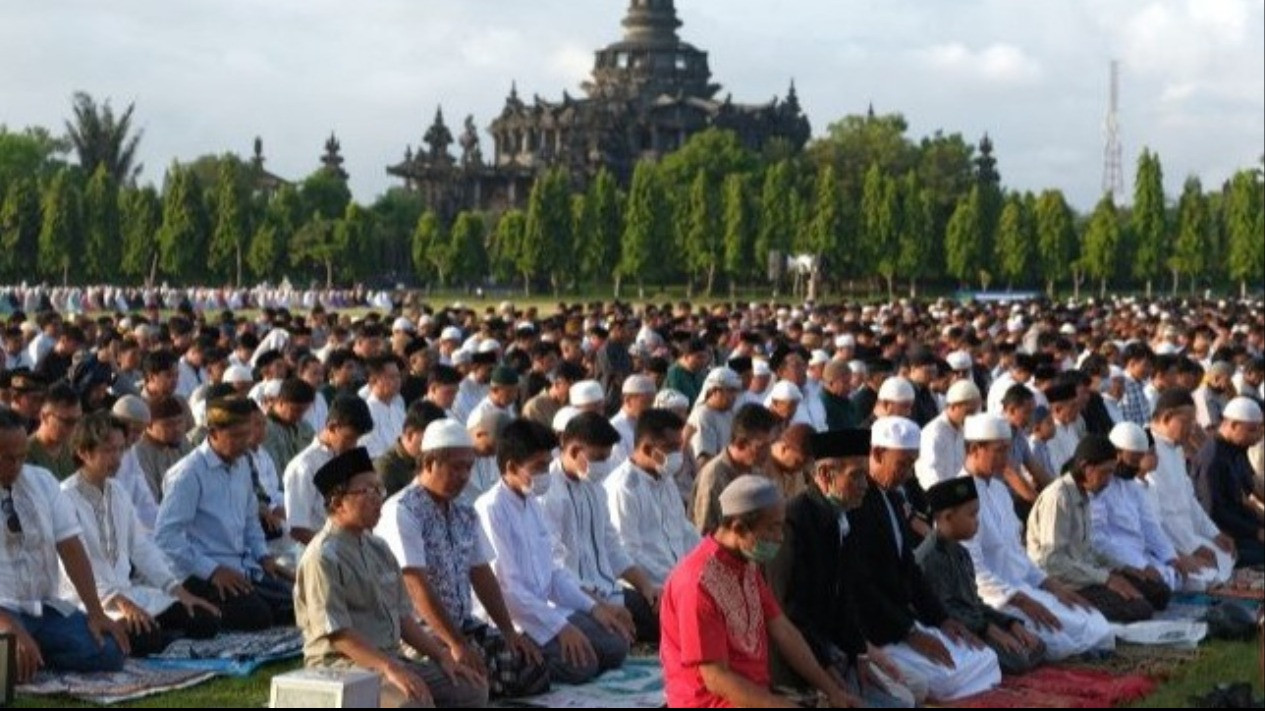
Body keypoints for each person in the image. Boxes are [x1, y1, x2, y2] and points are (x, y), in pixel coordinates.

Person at [294, 447, 489, 708]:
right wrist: (389, 669)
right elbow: (339, 635)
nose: (377, 499)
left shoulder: (379, 548)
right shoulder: (322, 556)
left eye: (379, 490)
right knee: (412, 703)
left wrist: (442, 656)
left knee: (471, 688)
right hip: (344, 665)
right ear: (338, 502)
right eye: (367, 492)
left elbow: (403, 618)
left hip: (389, 658)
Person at [376, 419, 549, 700]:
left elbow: (482, 574)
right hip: (419, 633)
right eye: (456, 467)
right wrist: (454, 643)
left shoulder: (464, 511)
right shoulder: (402, 511)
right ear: (430, 463)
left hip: (463, 624)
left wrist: (508, 631)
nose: (464, 475)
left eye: (468, 467)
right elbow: (414, 585)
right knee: (472, 685)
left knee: (533, 666)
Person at [660, 475, 860, 708]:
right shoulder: (697, 584)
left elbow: (784, 631)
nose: (780, 537)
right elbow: (716, 679)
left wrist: (831, 690)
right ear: (739, 528)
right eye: (772, 529)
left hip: (757, 695)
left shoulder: (746, 565)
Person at [847, 416, 1000, 702]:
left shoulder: (892, 499)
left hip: (904, 621)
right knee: (944, 677)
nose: (907, 474)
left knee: (985, 656)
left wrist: (941, 619)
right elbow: (862, 585)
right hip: (880, 631)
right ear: (878, 454)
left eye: (911, 464)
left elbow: (910, 570)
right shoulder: (857, 504)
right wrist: (908, 632)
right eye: (902, 464)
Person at [767, 429, 918, 707]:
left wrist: (858, 652)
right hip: (798, 665)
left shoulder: (842, 518)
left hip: (833, 652)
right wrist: (827, 671)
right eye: (856, 476)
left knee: (908, 696)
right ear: (826, 476)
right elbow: (790, 614)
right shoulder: (794, 523)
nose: (865, 484)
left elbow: (843, 600)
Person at [475, 419, 631, 684]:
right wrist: (560, 628)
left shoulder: (532, 503)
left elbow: (554, 574)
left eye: (548, 465)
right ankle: (522, 662)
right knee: (583, 666)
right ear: (511, 467)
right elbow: (508, 592)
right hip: (514, 622)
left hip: (548, 611)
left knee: (616, 644)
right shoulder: (491, 509)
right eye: (538, 467)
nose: (546, 474)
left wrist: (594, 608)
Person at [59, 412, 221, 655]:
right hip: (89, 602)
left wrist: (178, 591)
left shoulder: (118, 492)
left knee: (204, 619)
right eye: (108, 451)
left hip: (128, 592)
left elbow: (142, 547)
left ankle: (153, 629)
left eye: (120, 450)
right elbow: (73, 566)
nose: (117, 459)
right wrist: (121, 603)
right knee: (149, 638)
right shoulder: (64, 498)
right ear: (83, 452)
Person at [956, 413, 1114, 661]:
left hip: (1025, 587)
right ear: (975, 449)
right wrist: (1021, 600)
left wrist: (1052, 586)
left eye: (1008, 451)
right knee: (1061, 637)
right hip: (997, 598)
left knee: (1094, 621)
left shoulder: (999, 490)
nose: (1006, 460)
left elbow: (1019, 555)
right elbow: (973, 572)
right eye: (999, 451)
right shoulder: (958, 495)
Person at [0, 408, 129, 683]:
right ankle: (21, 655)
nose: (16, 465)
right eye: (7, 458)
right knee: (8, 658)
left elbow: (70, 547)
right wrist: (8, 625)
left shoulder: (42, 482)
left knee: (109, 651)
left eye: (22, 456)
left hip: (42, 608)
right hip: (3, 612)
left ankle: (32, 656)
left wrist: (96, 612)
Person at [155, 396, 295, 631]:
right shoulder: (188, 474)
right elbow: (166, 537)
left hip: (240, 565)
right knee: (259, 616)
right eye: (236, 436)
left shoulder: (242, 463)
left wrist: (264, 556)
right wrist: (213, 571)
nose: (244, 442)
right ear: (213, 433)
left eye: (246, 434)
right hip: (198, 572)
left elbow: (251, 518)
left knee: (293, 599)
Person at [540, 413, 661, 643]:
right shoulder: (548, 494)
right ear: (575, 451)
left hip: (608, 591)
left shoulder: (595, 488)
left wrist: (646, 587)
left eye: (606, 458)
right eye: (598, 458)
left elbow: (612, 545)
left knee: (664, 616)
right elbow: (555, 568)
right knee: (612, 645)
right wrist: (599, 606)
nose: (604, 465)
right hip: (574, 599)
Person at [916, 478, 1046, 675]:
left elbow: (974, 603)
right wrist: (989, 630)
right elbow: (944, 611)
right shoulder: (931, 557)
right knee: (1016, 658)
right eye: (972, 514)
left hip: (976, 624)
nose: (977, 521)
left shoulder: (960, 551)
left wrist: (1009, 624)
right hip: (954, 631)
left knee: (1036, 643)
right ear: (948, 517)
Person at [1026, 435, 1155, 623]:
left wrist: (1122, 568)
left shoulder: (1084, 493)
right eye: (1105, 473)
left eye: (1111, 474)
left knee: (1154, 590)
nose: (1109, 480)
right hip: (1064, 582)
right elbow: (1052, 561)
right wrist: (1106, 579)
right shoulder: (1059, 497)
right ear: (1087, 467)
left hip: (1085, 573)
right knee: (1139, 608)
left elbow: (1087, 550)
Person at [1093, 422, 1207, 595]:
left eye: (1139, 460)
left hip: (1141, 556)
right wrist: (1140, 566)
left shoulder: (1132, 487)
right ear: (1116, 454)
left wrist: (1171, 558)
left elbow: (1150, 527)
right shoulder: (1099, 487)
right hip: (1116, 562)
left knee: (1191, 581)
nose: (1136, 466)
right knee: (1157, 592)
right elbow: (1100, 541)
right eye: (1133, 460)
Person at [1145, 389, 1237, 585]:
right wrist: (1191, 547)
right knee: (1200, 577)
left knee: (1225, 554)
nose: (1192, 429)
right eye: (1187, 422)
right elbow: (1159, 517)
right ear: (1168, 417)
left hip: (1187, 534)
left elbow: (1190, 500)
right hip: (1168, 542)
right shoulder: (1147, 449)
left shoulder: (1175, 448)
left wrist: (1215, 533)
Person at [605, 409, 701, 587]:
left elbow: (683, 529)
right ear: (648, 449)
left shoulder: (665, 478)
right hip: (647, 589)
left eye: (679, 446)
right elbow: (628, 552)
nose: (677, 454)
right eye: (670, 448)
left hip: (679, 581)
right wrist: (677, 579)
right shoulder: (623, 487)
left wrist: (706, 560)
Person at [284, 395, 376, 546]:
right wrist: (336, 550)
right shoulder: (303, 466)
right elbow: (297, 528)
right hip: (319, 552)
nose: (353, 445)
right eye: (349, 438)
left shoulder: (349, 457)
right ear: (332, 427)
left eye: (357, 439)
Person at [1193, 397, 1265, 567]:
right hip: (1225, 536)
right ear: (1233, 425)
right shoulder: (1212, 458)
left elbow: (1251, 488)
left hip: (1245, 527)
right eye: (1252, 431)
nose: (1257, 437)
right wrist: (1256, 532)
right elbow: (1213, 511)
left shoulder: (1237, 450)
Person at [691, 404, 782, 534]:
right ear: (740, 443)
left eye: (770, 445)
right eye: (762, 447)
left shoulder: (755, 470)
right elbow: (704, 533)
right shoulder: (713, 478)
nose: (768, 453)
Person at [914, 380, 980, 491]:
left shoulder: (964, 430)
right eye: (968, 412)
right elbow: (929, 475)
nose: (972, 417)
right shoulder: (934, 432)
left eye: (974, 412)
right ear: (953, 407)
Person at [376, 403, 444, 498]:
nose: (432, 447)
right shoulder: (387, 469)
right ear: (410, 435)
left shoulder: (428, 461)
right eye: (428, 441)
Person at [133, 396, 193, 504]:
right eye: (168, 425)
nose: (177, 429)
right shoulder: (139, 452)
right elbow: (150, 499)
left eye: (179, 422)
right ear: (149, 425)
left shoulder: (181, 441)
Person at [686, 367, 743, 466]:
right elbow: (704, 460)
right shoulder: (703, 416)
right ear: (715, 391)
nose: (735, 396)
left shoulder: (729, 413)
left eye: (736, 392)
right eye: (731, 391)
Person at [26, 382, 82, 480]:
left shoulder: (75, 450)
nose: (74, 427)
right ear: (44, 417)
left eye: (78, 420)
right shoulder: (24, 454)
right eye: (67, 421)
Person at [263, 378, 316, 474]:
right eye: (296, 410)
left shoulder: (305, 427)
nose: (300, 416)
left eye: (304, 411)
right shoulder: (265, 431)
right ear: (280, 402)